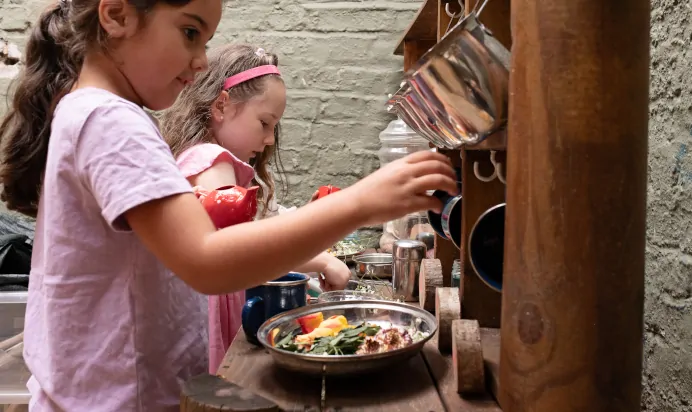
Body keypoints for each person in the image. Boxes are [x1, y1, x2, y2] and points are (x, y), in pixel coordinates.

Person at [0, 0, 458, 409]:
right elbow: (207, 260)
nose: (200, 61)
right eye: (190, 32)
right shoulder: (109, 120)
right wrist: (361, 203)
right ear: (117, 15)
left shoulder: (88, 111)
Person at [160, 44, 352, 373]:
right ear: (222, 105)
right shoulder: (211, 162)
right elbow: (241, 246)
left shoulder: (202, 158)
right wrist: (322, 259)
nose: (270, 139)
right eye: (265, 123)